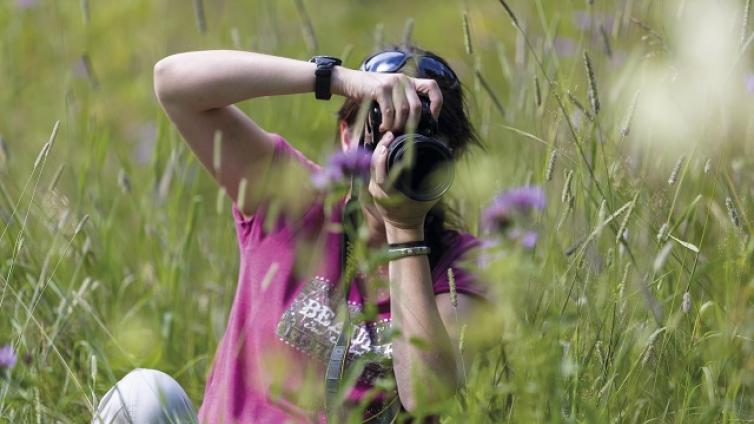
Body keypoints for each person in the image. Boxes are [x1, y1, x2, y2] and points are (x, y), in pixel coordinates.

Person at [94, 44, 489, 423]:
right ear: (347, 137)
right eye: (381, 129)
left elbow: (426, 392)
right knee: (143, 394)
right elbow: (173, 82)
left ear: (448, 164)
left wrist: (405, 229)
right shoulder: (295, 197)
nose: (393, 156)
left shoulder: (462, 265)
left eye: (415, 143)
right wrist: (335, 79)